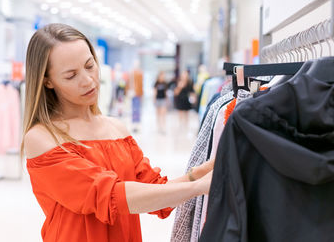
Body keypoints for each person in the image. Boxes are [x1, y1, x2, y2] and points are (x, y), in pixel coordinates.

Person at [21, 23, 214, 242]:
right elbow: (110, 195)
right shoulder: (41, 137)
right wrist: (197, 187)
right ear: (47, 81)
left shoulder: (116, 129)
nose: (88, 80)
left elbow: (156, 192)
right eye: (71, 75)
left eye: (89, 65)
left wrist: (197, 175)